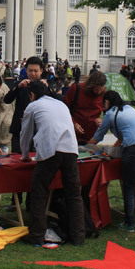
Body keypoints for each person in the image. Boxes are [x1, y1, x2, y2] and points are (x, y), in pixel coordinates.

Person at [20, 81, 85, 246]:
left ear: (32, 95)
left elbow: (25, 133)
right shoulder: (61, 104)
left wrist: (25, 154)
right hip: (70, 149)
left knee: (39, 192)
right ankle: (78, 236)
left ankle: (36, 235)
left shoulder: (33, 106)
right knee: (74, 194)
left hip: (51, 149)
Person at [88, 90, 135, 232]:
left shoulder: (109, 114)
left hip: (133, 150)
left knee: (129, 186)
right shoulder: (129, 109)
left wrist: (86, 147)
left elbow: (98, 137)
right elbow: (125, 133)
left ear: (107, 102)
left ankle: (129, 223)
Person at [4, 56, 45, 154]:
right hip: (20, 129)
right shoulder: (20, 85)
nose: (33, 74)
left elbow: (57, 101)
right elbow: (7, 100)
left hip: (39, 130)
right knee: (17, 159)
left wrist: (48, 89)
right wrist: (18, 87)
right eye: (30, 71)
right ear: (26, 71)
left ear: (41, 71)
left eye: (36, 71)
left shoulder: (45, 87)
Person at [62, 70, 106, 145]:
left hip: (91, 137)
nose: (98, 93)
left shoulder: (105, 94)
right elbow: (63, 108)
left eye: (100, 90)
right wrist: (74, 123)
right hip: (72, 134)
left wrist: (102, 121)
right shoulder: (76, 88)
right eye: (96, 90)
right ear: (90, 85)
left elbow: (108, 113)